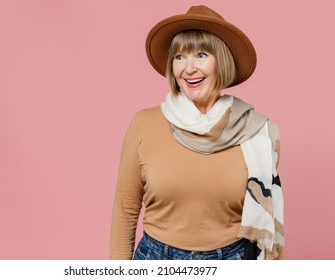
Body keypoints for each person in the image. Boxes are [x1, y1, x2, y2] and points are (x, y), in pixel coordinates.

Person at [110, 5, 284, 260]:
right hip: (157, 259)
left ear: (221, 62)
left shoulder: (257, 131)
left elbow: (270, 225)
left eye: (201, 55)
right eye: (179, 57)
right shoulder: (144, 124)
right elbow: (125, 208)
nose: (188, 68)